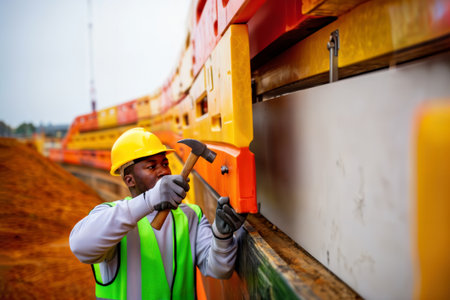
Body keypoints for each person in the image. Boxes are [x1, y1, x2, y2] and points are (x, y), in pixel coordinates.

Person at [69, 127, 247, 300]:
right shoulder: (111, 216)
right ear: (129, 180)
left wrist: (222, 236)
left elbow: (219, 269)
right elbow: (81, 246)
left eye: (164, 163)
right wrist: (149, 200)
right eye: (151, 167)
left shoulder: (191, 215)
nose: (163, 171)